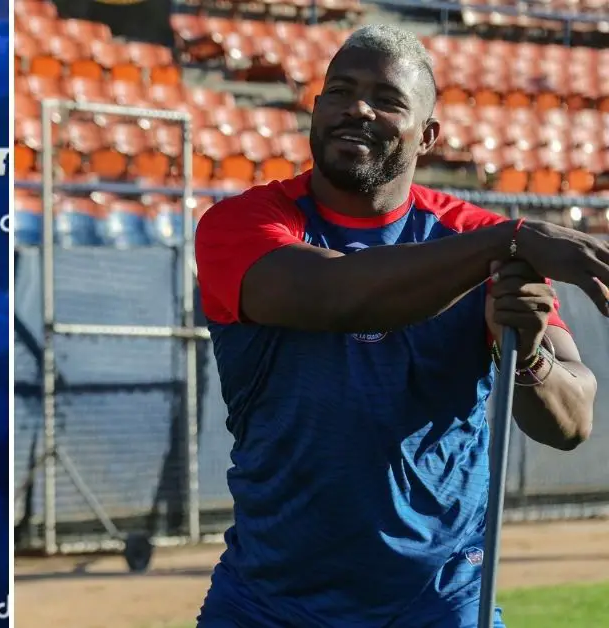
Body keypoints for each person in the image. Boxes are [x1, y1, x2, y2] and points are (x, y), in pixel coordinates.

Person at [193, 24, 607, 628]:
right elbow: (338, 294)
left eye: (386, 99)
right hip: (269, 605)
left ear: (428, 135)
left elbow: (572, 421)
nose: (357, 108)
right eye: (340, 90)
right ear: (316, 109)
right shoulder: (242, 224)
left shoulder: (475, 241)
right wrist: (507, 241)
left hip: (439, 607)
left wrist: (533, 356)